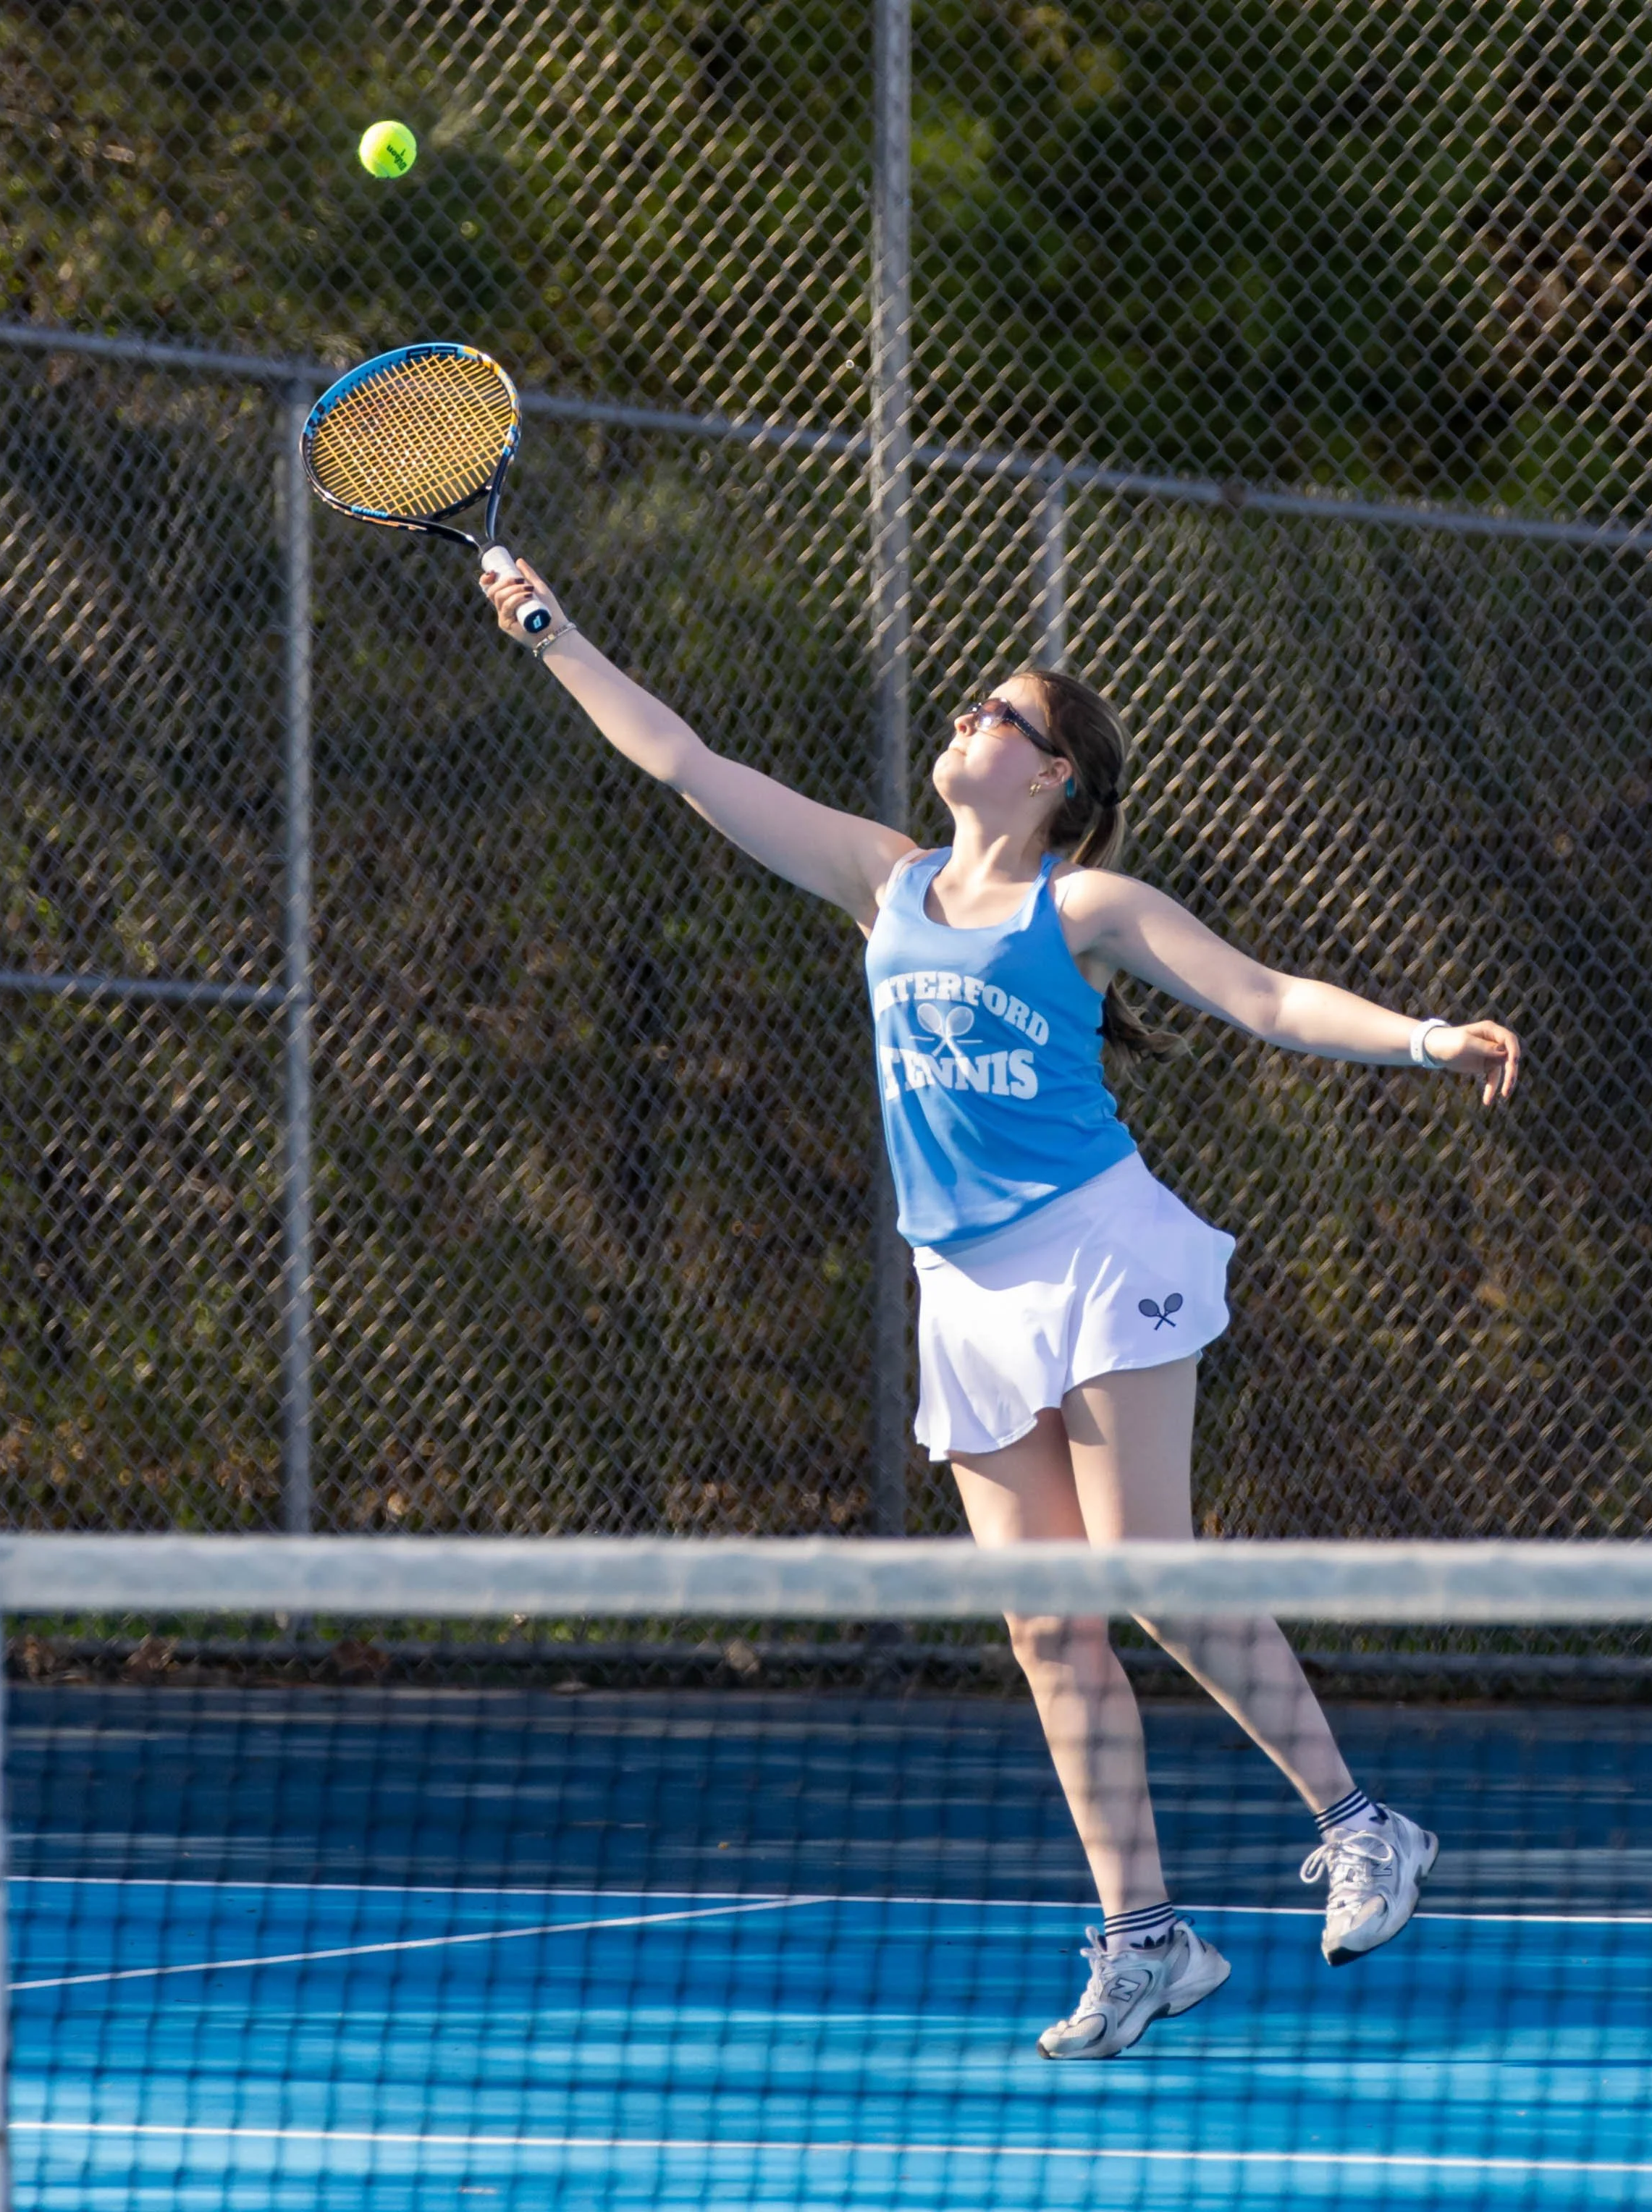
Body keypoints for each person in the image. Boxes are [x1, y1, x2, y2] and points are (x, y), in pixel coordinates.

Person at [479, 557, 1521, 2061]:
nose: (967, 718)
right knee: (1047, 1625)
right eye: (973, 706)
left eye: (1001, 714)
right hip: (960, 1287)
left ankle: (1365, 1828)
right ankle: (1144, 1940)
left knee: (1146, 1568)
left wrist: (1425, 1037)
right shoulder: (880, 879)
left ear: (1052, 778)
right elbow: (683, 760)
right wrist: (549, 627)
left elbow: (1268, 998)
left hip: (1095, 1251)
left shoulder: (1083, 900)